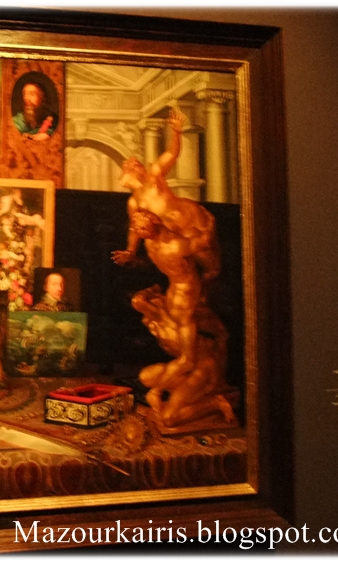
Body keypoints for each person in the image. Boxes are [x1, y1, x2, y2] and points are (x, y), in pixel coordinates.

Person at [124, 209, 234, 428]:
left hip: (201, 370)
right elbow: (138, 301)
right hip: (179, 295)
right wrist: (131, 250)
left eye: (142, 227)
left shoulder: (176, 247)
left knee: (168, 418)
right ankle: (175, 392)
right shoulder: (152, 244)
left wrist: (209, 223)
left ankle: (215, 401)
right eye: (137, 228)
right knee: (145, 376)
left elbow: (193, 357)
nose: (147, 321)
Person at [111, 108, 220, 284]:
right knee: (187, 266)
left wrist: (176, 132)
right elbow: (134, 228)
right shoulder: (134, 202)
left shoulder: (154, 175)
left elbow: (171, 154)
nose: (137, 166)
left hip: (189, 218)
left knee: (210, 263)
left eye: (137, 164)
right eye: (132, 166)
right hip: (173, 233)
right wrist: (130, 250)